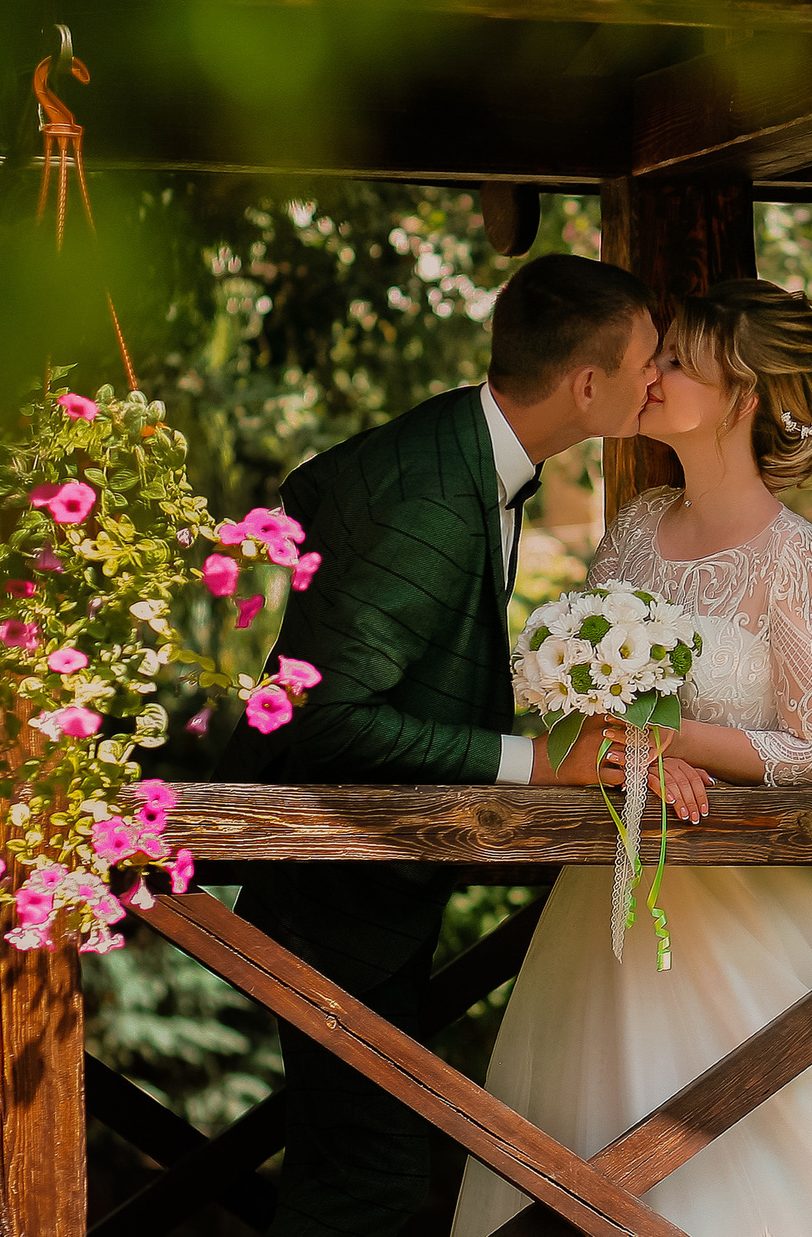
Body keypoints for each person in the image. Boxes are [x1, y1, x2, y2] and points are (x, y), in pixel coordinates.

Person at [451, 278, 812, 1237]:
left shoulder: (795, 555)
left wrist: (671, 737)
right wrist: (628, 747)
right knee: (606, 1152)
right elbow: (575, 702)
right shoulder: (636, 525)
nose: (653, 374)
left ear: (743, 397)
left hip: (769, 912)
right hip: (619, 914)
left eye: (678, 361)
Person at [217, 250, 657, 1237]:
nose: (657, 379)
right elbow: (331, 717)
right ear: (588, 385)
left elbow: (316, 488)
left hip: (369, 877)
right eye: (647, 362)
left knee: (357, 1168)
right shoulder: (430, 495)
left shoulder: (465, 446)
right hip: (335, 886)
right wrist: (534, 763)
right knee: (369, 1178)